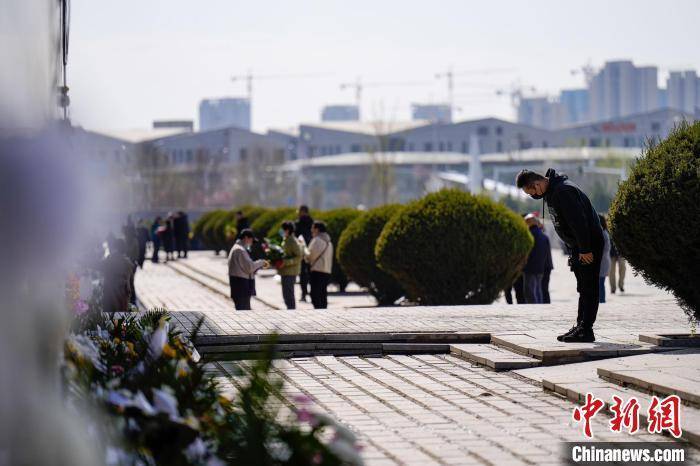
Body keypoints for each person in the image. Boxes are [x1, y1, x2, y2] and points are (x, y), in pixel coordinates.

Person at [516, 168, 604, 342]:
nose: (533, 196)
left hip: (588, 244)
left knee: (589, 287)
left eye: (531, 192)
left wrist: (585, 249)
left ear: (537, 184)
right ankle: (581, 326)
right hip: (579, 245)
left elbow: (579, 222)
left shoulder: (562, 191)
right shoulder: (552, 191)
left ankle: (586, 329)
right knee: (583, 287)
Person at [228, 228, 267, 310]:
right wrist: (261, 262)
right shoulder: (240, 250)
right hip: (241, 287)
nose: (251, 243)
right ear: (246, 238)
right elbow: (249, 267)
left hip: (238, 285)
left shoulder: (237, 248)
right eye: (251, 240)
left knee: (242, 310)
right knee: (244, 312)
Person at [101, 238, 134, 313]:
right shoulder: (128, 263)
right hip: (122, 295)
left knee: (109, 317)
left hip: (109, 294)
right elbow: (130, 284)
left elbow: (101, 267)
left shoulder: (109, 259)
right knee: (120, 318)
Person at [522, 213, 550, 304]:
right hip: (541, 267)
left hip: (530, 267)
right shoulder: (544, 236)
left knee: (529, 290)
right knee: (538, 289)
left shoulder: (529, 235)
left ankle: (533, 307)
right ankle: (539, 305)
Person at [305, 220, 333, 309]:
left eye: (312, 228)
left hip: (317, 270)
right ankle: (324, 311)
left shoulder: (317, 240)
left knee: (314, 294)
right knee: (323, 293)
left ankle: (318, 311)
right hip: (327, 270)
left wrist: (303, 251)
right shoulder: (329, 242)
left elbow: (310, 255)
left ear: (317, 229)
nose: (311, 230)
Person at [276, 221, 302, 309]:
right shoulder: (286, 239)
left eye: (282, 229)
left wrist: (286, 262)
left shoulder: (292, 241)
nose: (280, 231)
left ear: (287, 230)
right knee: (285, 294)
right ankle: (289, 309)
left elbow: (299, 256)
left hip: (290, 272)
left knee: (289, 294)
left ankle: (292, 311)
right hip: (284, 271)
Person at [295, 205, 313, 302]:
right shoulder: (312, 222)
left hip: (302, 251)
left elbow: (296, 236)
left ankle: (304, 294)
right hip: (311, 250)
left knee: (303, 274)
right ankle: (310, 293)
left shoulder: (298, 223)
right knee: (310, 272)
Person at [122, 222, 140, 306]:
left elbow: (130, 252)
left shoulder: (133, 241)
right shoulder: (128, 239)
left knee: (130, 282)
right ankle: (130, 299)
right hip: (129, 264)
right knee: (128, 282)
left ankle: (132, 300)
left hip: (131, 264)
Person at [598, 214, 611, 303]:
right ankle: (601, 300)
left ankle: (602, 301)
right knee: (600, 283)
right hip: (604, 261)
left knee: (600, 283)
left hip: (602, 262)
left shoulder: (602, 233)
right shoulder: (604, 232)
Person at [541, 219, 554, 304]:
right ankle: (546, 302)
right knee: (544, 287)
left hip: (545, 266)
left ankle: (546, 303)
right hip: (547, 266)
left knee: (544, 287)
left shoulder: (543, 238)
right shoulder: (545, 237)